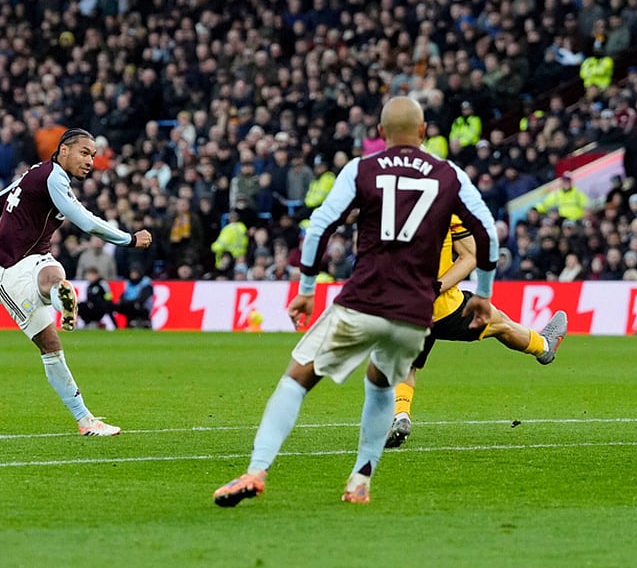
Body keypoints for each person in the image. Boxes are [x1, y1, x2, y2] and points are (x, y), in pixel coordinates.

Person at [213, 96, 498, 507]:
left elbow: (320, 228)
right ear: (423, 133)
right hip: (415, 314)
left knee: (297, 378)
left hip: (364, 299)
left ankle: (257, 469)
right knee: (381, 382)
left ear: (380, 134)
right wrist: (483, 295)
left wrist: (307, 289)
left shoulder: (362, 168)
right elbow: (487, 234)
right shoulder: (448, 174)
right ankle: (360, 479)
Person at [0, 128, 152, 436]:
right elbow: (84, 221)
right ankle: (84, 418)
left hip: (35, 260)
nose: (90, 161)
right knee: (50, 345)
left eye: (93, 156)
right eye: (84, 153)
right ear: (62, 151)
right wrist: (129, 239)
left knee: (52, 273)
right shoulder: (53, 177)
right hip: (8, 274)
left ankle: (62, 297)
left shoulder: (36, 173)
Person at [385, 215, 568, 448]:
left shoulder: (386, 206)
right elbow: (470, 257)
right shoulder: (446, 207)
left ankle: (402, 416)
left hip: (403, 311)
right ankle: (543, 346)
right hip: (444, 309)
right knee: (500, 323)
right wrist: (436, 288)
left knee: (406, 364)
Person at [109, 264, 154, 328]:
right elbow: (123, 295)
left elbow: (143, 298)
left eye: (135, 273)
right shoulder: (129, 283)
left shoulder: (146, 283)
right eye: (132, 273)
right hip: (129, 304)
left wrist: (128, 302)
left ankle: (142, 321)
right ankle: (116, 325)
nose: (133, 275)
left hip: (141, 306)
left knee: (135, 305)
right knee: (113, 306)